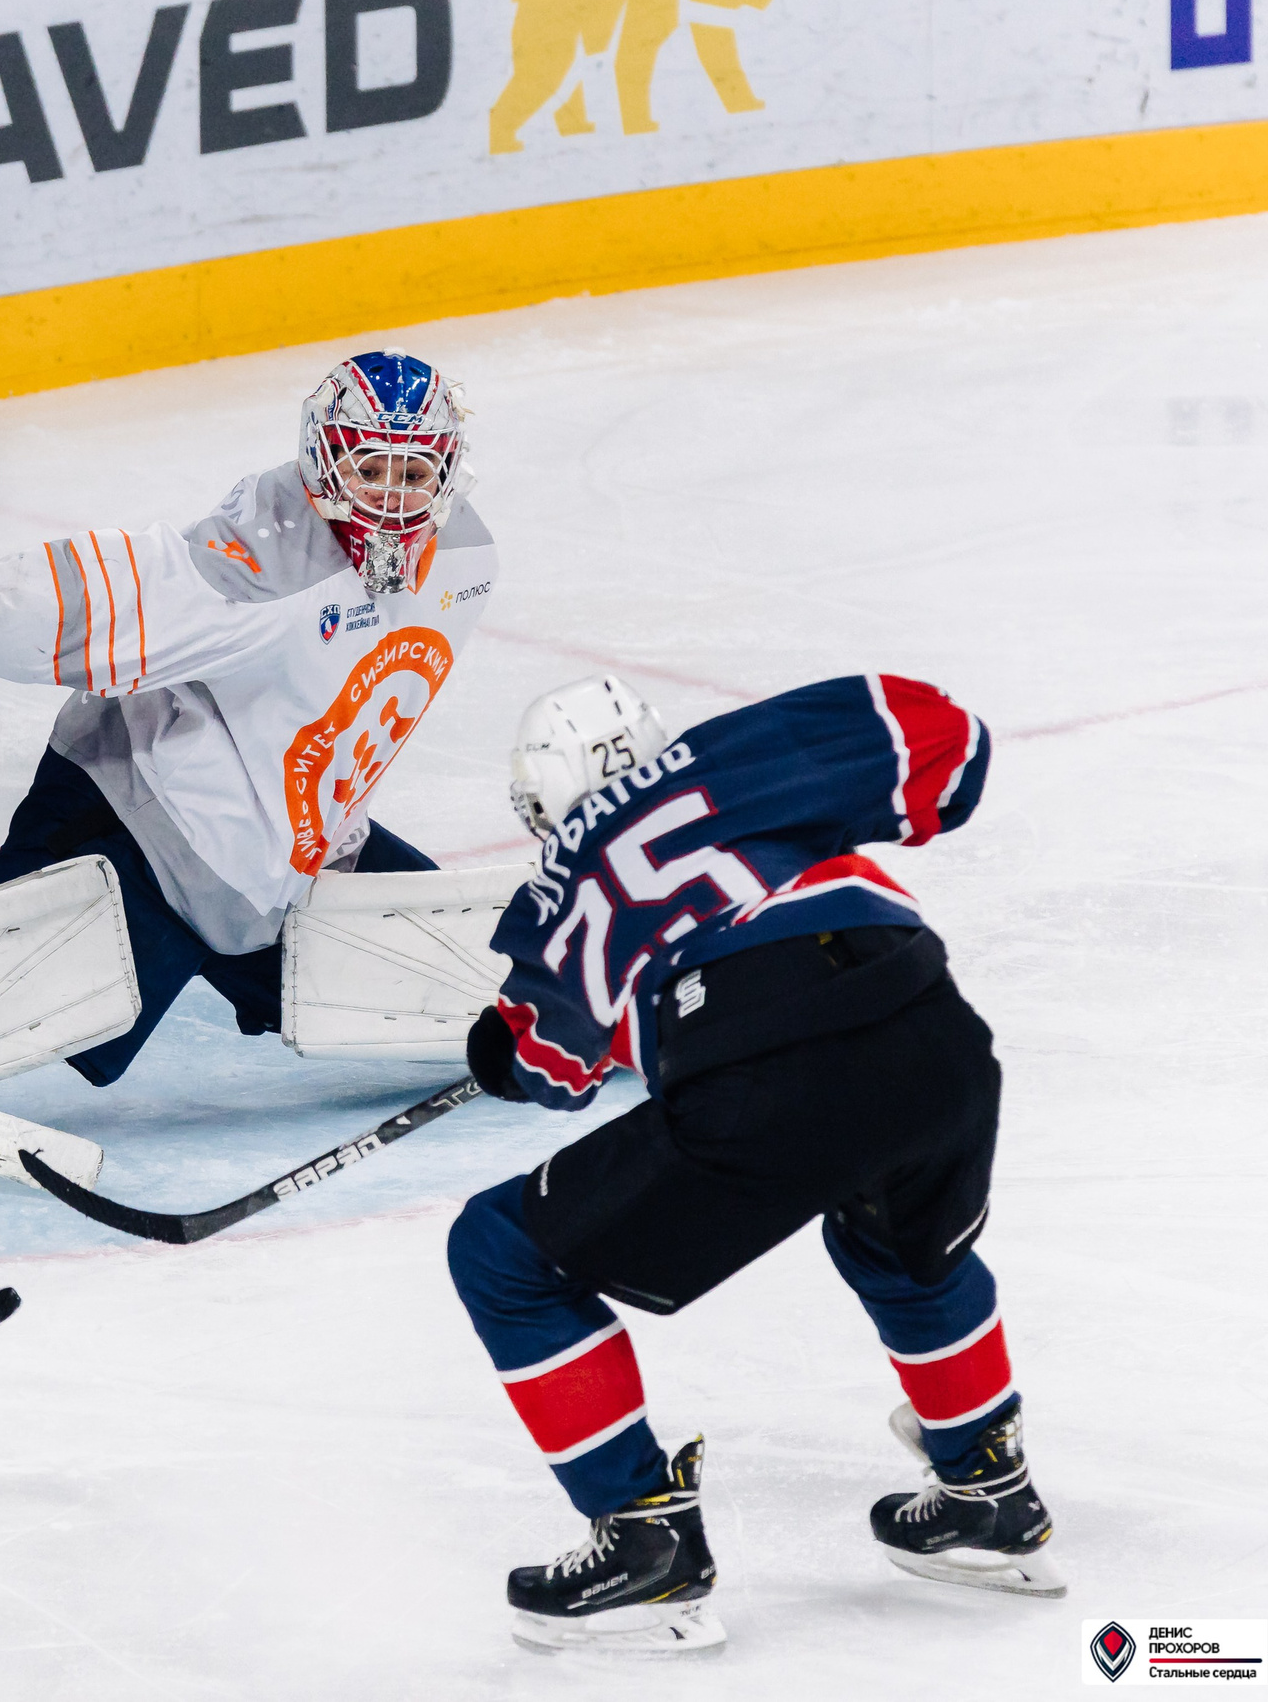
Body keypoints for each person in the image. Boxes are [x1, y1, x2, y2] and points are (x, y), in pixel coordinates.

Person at [445, 672, 1060, 1655]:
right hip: (933, 1030)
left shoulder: (565, 876)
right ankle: (988, 1494)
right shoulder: (740, 759)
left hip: (766, 1070)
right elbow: (951, 749)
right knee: (898, 1245)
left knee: (501, 1253)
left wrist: (495, 1049)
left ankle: (645, 1543)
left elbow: (544, 1065)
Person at [0, 349, 498, 1082]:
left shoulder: (465, 560)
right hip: (141, 825)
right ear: (323, 463)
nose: (391, 500)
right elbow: (96, 601)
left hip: (278, 872)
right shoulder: (264, 562)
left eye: (413, 474)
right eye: (368, 469)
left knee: (493, 999)